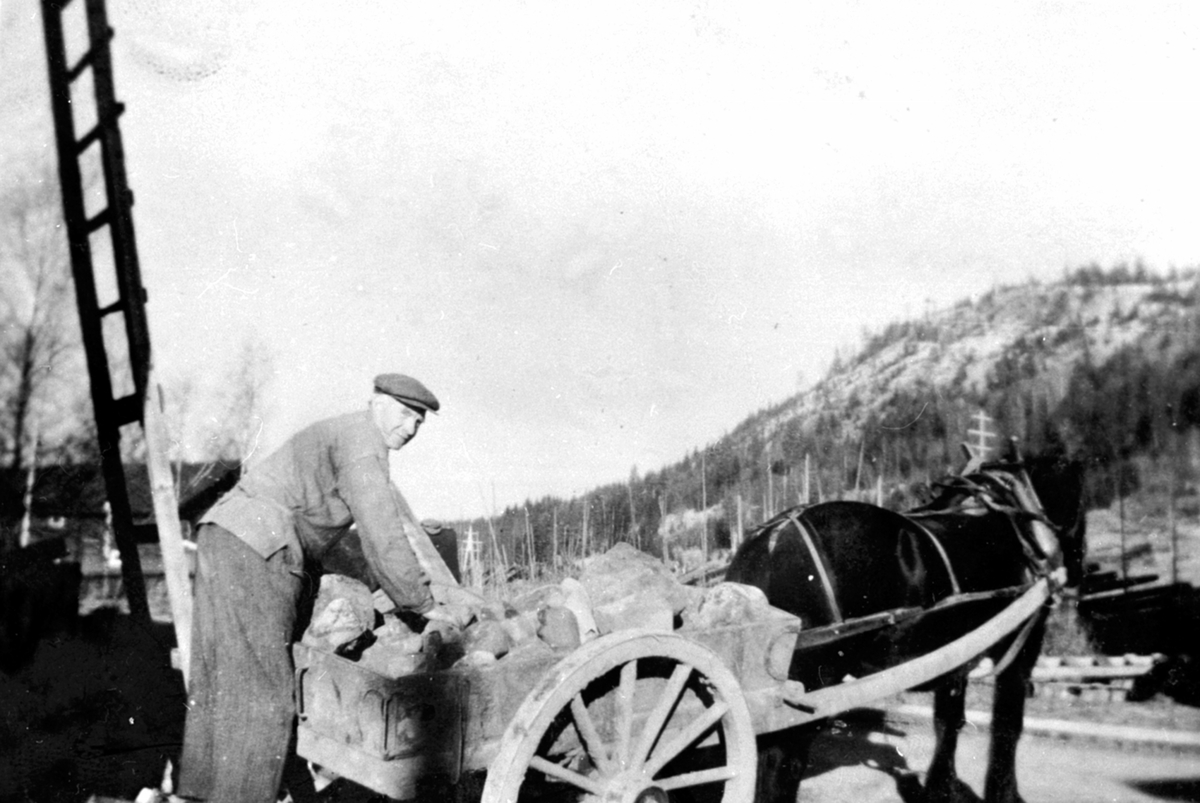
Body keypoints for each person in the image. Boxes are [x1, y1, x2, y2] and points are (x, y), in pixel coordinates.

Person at [177, 373, 442, 803]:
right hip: (260, 545)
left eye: (419, 422)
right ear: (376, 402)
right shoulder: (363, 444)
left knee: (222, 680)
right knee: (265, 693)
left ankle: (200, 794)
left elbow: (320, 529)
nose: (410, 427)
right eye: (406, 413)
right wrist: (423, 603)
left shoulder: (343, 433)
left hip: (224, 533)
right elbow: (382, 534)